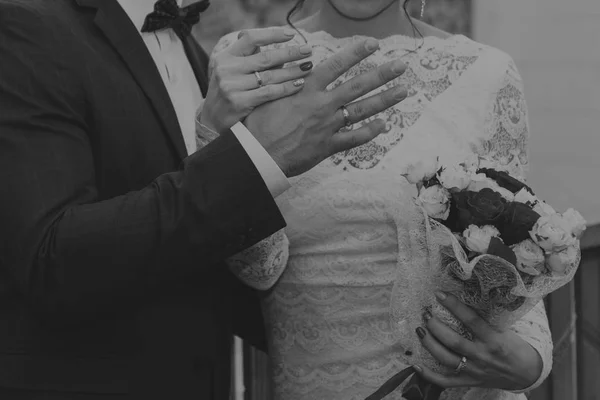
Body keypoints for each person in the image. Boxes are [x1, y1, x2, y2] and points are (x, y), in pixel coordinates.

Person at [0, 0, 410, 399]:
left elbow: (203, 256)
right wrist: (262, 157)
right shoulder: (28, 26)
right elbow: (51, 260)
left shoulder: (199, 58)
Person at [211, 0, 555, 399]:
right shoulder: (247, 60)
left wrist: (532, 363)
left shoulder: (488, 71)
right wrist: (224, 141)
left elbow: (522, 255)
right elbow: (259, 269)